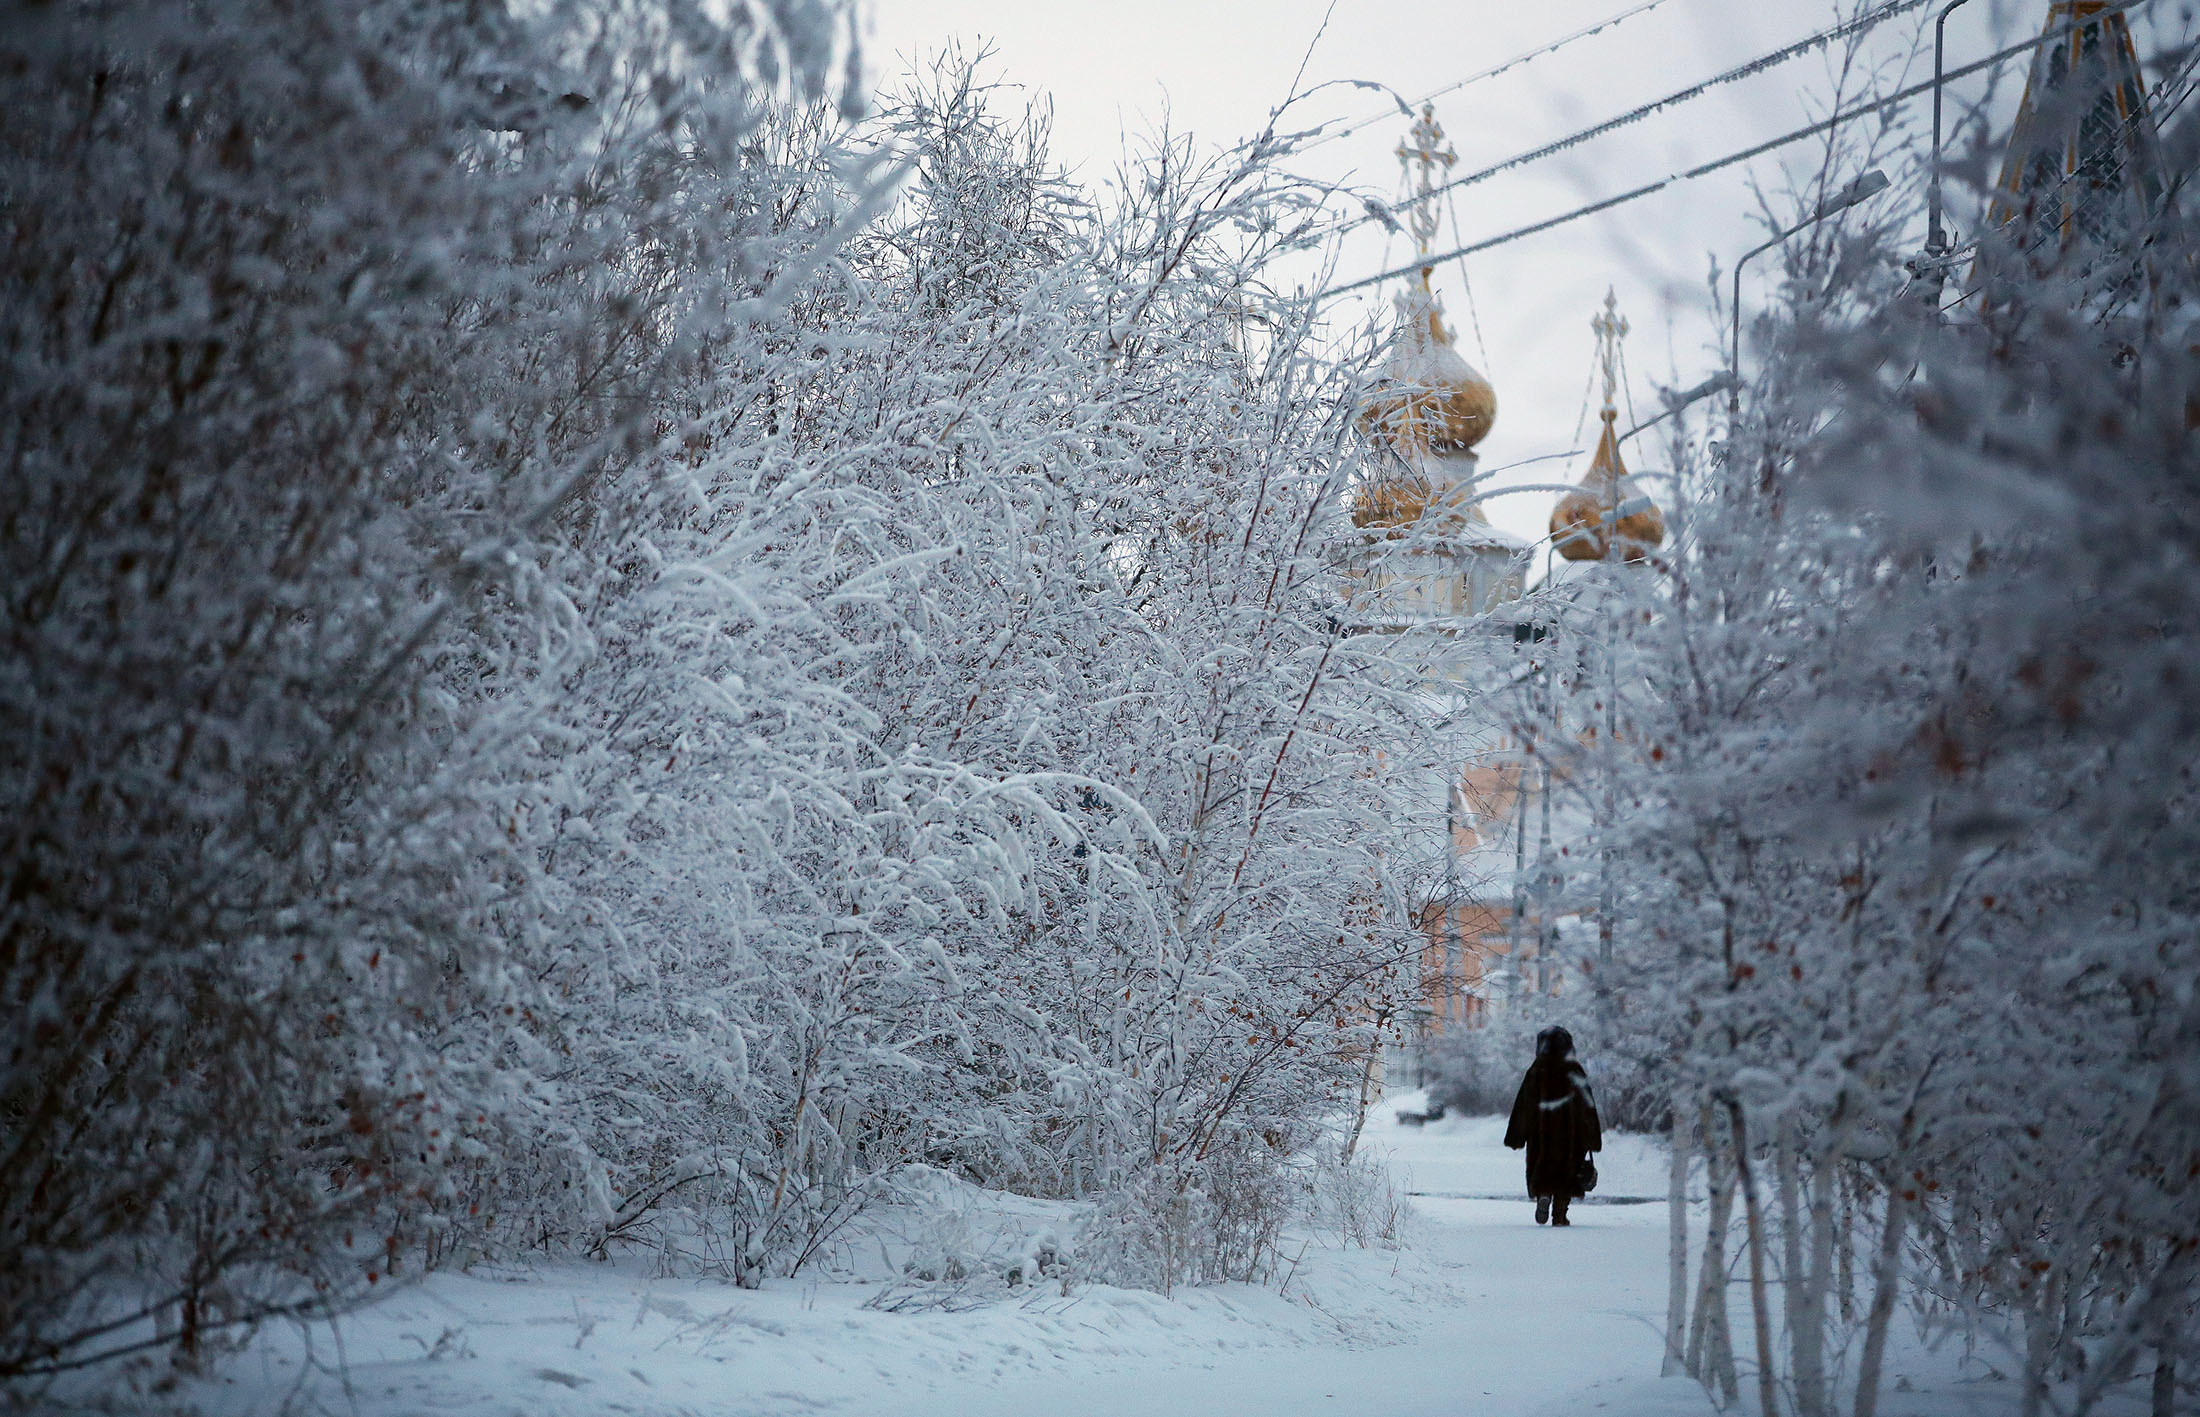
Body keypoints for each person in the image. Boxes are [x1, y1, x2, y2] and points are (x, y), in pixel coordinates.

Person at [1503, 1025, 1602, 1226]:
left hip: (1542, 1133)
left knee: (1543, 1167)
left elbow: (1524, 1105)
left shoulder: (1536, 1070)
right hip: (1571, 1135)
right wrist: (1592, 1137)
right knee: (1568, 1171)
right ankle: (1560, 1213)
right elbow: (1587, 1105)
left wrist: (1517, 1136)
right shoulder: (1575, 1070)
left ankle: (1543, 1195)